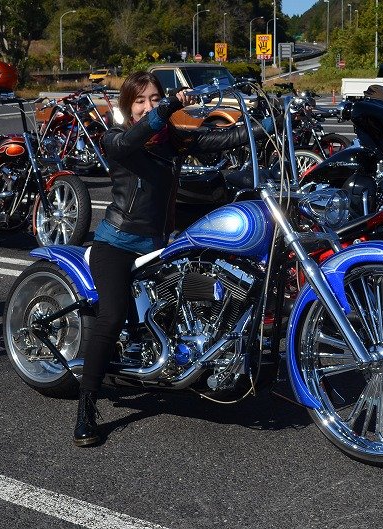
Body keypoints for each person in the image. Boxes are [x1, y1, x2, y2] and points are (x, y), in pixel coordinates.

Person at [74, 71, 269, 447]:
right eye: (140, 100)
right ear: (128, 107)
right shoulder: (117, 139)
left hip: (157, 244)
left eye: (154, 98)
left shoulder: (172, 140)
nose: (147, 105)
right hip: (116, 245)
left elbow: (223, 138)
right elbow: (133, 138)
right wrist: (166, 107)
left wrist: (270, 122)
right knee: (111, 316)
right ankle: (86, 406)